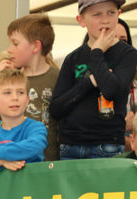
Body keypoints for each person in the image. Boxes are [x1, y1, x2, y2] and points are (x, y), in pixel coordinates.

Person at [50, 0, 137, 160]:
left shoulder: (128, 54)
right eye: (97, 14)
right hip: (70, 146)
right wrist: (88, 83)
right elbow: (56, 108)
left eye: (111, 12)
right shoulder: (72, 59)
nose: (105, 20)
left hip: (108, 145)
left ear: (118, 15)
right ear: (81, 20)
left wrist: (97, 51)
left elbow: (111, 91)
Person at [7, 13, 60, 161]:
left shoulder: (58, 78)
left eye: (15, 43)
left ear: (36, 46)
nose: (9, 49)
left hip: (48, 163)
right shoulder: (10, 79)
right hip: (12, 161)